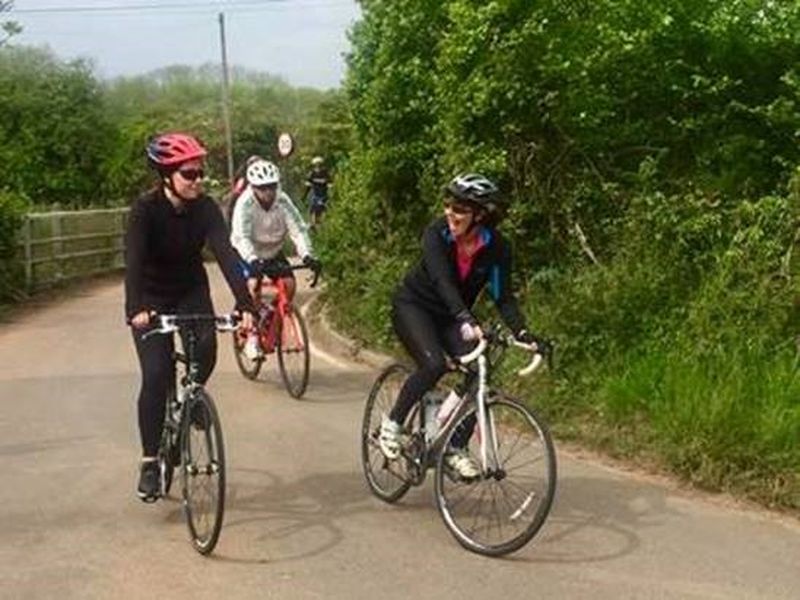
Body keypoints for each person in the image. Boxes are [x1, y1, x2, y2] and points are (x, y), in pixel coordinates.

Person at [379, 173, 541, 479]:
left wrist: (523, 332)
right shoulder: (437, 233)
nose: (450, 214)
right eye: (449, 205)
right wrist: (466, 317)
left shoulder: (497, 249)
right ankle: (392, 425)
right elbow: (441, 280)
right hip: (415, 306)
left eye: (460, 209)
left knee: (479, 372)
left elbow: (502, 295)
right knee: (433, 364)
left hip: (453, 316)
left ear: (481, 216)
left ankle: (453, 447)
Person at [125, 132, 255, 502]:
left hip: (189, 291)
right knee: (155, 374)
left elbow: (226, 255)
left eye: (200, 173)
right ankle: (151, 461)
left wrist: (245, 302)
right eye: (189, 175)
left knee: (209, 346)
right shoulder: (144, 211)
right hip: (151, 297)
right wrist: (135, 309)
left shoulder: (207, 208)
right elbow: (133, 263)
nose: (198, 180)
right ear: (167, 177)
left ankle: (190, 396)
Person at [230, 158, 321, 359]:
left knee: (288, 285)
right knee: (253, 285)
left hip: (273, 251)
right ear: (253, 187)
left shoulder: (282, 200)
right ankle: (252, 337)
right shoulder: (244, 204)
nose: (268, 192)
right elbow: (241, 236)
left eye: (271, 187)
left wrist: (307, 254)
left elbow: (297, 229)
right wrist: (252, 259)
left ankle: (274, 324)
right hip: (248, 251)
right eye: (262, 188)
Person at [304, 156, 332, 228]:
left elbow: (329, 183)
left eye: (319, 164)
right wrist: (304, 195)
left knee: (321, 209)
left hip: (323, 194)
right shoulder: (312, 173)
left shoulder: (325, 173)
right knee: (312, 208)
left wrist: (328, 187)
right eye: (316, 164)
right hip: (315, 193)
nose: (318, 166)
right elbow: (308, 184)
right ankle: (311, 223)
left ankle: (320, 224)